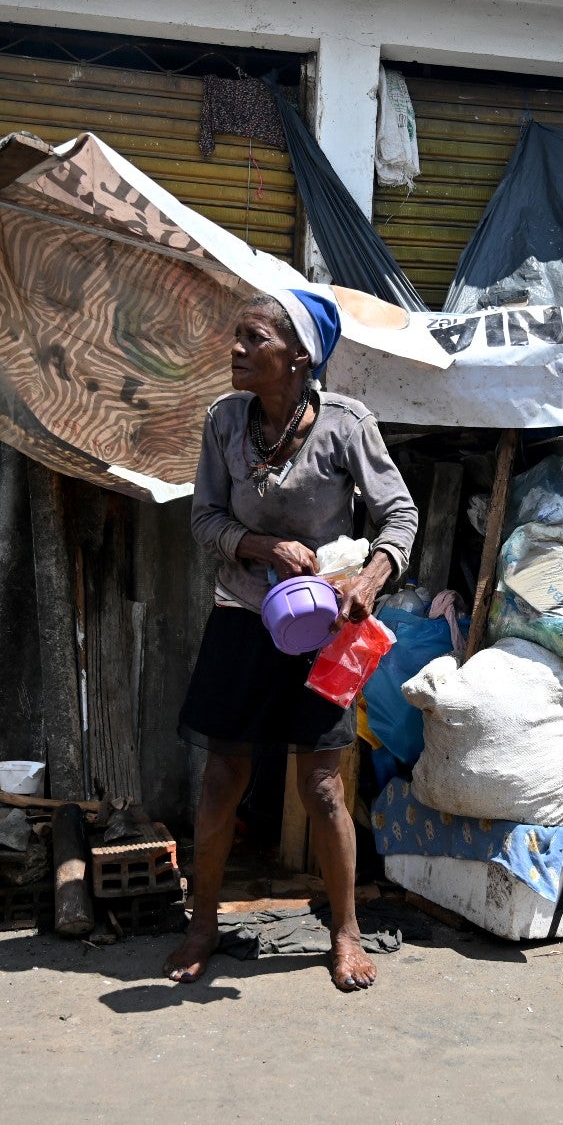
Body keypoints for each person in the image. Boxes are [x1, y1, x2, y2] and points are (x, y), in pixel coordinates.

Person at [166, 287, 418, 991]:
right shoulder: (225, 422)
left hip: (326, 629)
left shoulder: (346, 424)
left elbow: (400, 515)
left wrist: (369, 579)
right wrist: (261, 544)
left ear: (300, 356)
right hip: (243, 616)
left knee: (323, 786)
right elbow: (205, 518)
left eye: (255, 339)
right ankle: (203, 921)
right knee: (223, 777)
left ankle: (344, 931)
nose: (237, 350)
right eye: (237, 337)